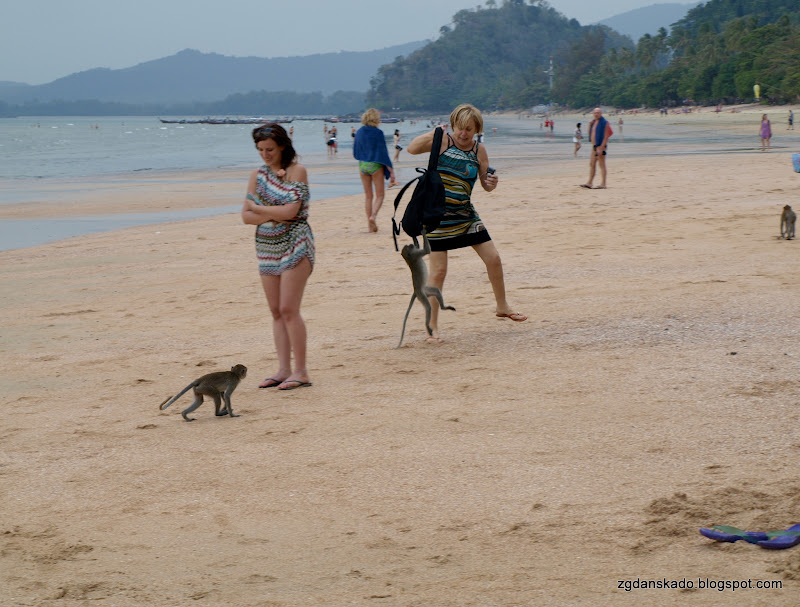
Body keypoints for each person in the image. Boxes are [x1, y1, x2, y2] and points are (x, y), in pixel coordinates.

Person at [406, 103, 527, 343]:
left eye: (469, 129)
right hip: (437, 217)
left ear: (477, 129)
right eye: (460, 128)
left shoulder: (478, 150)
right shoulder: (442, 141)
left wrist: (491, 183)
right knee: (439, 272)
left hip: (465, 214)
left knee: (493, 259)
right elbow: (411, 149)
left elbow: (485, 184)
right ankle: (432, 328)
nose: (464, 134)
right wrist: (433, 134)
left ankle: (502, 306)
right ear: (454, 125)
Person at [241, 123, 314, 391]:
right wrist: (275, 211)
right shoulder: (257, 175)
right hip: (266, 246)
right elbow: (245, 216)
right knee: (275, 311)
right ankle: (283, 370)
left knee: (288, 308)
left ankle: (301, 371)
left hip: (296, 243)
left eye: (269, 149)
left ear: (282, 145)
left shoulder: (297, 171)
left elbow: (293, 211)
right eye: (260, 149)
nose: (265, 154)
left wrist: (261, 208)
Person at [353, 108, 397, 232]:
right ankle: (373, 216)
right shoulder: (378, 133)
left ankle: (369, 225)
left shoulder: (359, 132)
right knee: (380, 195)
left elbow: (356, 149)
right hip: (375, 165)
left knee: (368, 196)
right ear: (375, 119)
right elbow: (383, 153)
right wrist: (391, 170)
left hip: (363, 165)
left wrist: (363, 157)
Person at [580, 107, 612, 189]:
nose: (596, 114)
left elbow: (606, 136)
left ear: (601, 114)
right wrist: (589, 125)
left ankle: (603, 183)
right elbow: (590, 134)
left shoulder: (605, 123)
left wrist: (601, 147)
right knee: (592, 164)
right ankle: (589, 182)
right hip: (594, 147)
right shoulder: (593, 122)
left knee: (602, 165)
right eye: (595, 113)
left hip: (600, 146)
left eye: (598, 112)